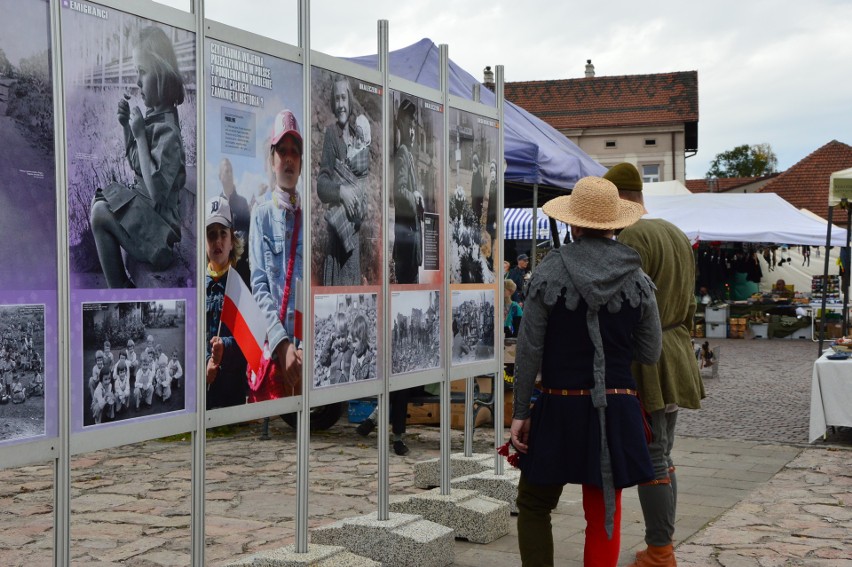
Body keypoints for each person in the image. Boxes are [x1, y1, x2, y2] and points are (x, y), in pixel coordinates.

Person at [511, 176, 662, 567]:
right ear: (616, 223)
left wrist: (520, 414)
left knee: (534, 503)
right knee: (603, 511)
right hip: (617, 407)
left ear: (573, 223)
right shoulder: (639, 278)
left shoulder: (547, 272)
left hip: (560, 406)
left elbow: (529, 350)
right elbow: (650, 352)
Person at [607, 162, 704, 567]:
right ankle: (660, 545)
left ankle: (661, 551)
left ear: (617, 199)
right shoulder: (676, 234)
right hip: (678, 350)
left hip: (650, 359)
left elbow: (624, 308)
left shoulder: (632, 237)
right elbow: (692, 303)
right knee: (662, 450)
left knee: (653, 453)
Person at [90, 26, 186, 288]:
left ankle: (119, 290)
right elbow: (137, 163)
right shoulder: (156, 119)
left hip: (158, 234)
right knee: (100, 203)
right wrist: (126, 129)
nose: (137, 81)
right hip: (146, 219)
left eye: (143, 72)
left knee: (100, 214)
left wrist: (141, 136)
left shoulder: (169, 133)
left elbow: (155, 192)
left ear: (163, 73)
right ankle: (121, 288)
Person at [249, 109, 304, 396]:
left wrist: (303, 348)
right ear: (272, 160)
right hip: (275, 351)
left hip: (305, 357)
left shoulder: (310, 220)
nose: (289, 158)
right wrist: (283, 346)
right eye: (282, 151)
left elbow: (314, 289)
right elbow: (259, 286)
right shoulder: (260, 215)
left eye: (295, 152)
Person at [317, 75, 368, 286]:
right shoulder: (331, 134)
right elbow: (321, 184)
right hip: (338, 239)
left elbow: (363, 180)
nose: (340, 105)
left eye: (343, 99)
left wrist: (360, 203)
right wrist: (342, 192)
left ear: (349, 100)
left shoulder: (358, 136)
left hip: (353, 237)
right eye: (336, 99)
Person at [205, 197, 249, 409]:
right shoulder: (197, 289)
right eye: (211, 235)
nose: (218, 241)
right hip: (203, 400)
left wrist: (225, 349)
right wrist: (206, 363)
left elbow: (249, 343)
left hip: (232, 399)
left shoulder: (240, 287)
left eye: (223, 234)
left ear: (232, 242)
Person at [392, 96, 424, 284]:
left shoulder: (408, 155)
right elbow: (399, 192)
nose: (413, 131)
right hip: (406, 246)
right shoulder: (403, 153)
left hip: (410, 244)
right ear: (402, 125)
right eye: (410, 125)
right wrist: (415, 196)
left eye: (414, 126)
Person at [218, 157, 252, 283]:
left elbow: (249, 232)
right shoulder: (217, 204)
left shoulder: (242, 202)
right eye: (227, 171)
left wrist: (236, 240)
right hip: (222, 272)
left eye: (231, 171)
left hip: (241, 270)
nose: (230, 174)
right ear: (219, 176)